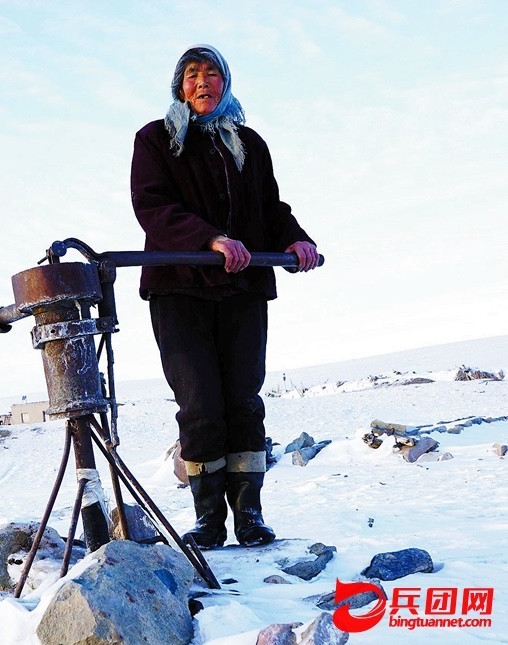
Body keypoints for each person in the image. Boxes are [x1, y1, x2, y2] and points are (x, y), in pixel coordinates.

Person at [130, 45, 319, 549]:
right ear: (179, 87)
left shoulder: (249, 144)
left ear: (225, 83)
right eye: (191, 75)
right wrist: (209, 239)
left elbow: (270, 206)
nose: (202, 83)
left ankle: (250, 515)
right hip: (180, 289)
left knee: (243, 401)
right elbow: (152, 207)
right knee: (199, 406)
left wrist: (295, 239)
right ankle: (209, 518)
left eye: (212, 74)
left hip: (242, 289)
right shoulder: (155, 140)